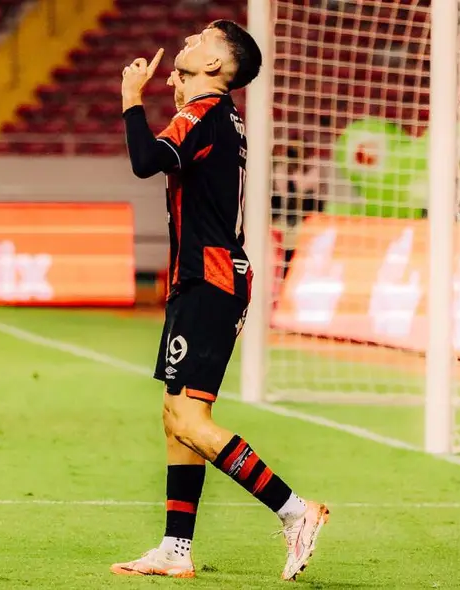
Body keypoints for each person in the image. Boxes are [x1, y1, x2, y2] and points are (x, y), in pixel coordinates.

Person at [114, 19, 329, 581]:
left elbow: (145, 160)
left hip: (208, 281)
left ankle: (295, 511)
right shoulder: (218, 117)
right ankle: (175, 549)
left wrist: (132, 101)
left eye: (202, 41)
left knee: (189, 416)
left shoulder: (204, 114)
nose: (187, 42)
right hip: (205, 280)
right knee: (176, 415)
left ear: (216, 67)